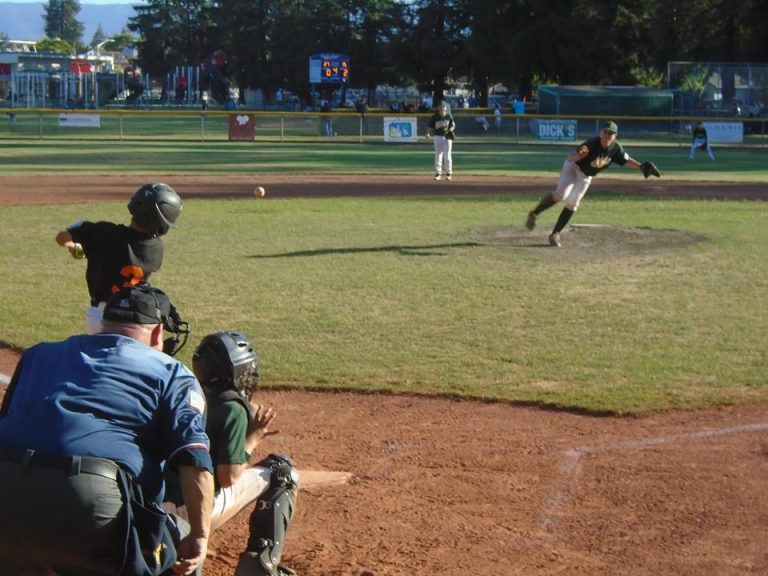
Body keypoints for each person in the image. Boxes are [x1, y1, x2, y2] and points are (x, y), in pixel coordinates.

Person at [0, 284, 214, 576]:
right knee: (175, 548)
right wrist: (199, 538)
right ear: (156, 333)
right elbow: (194, 460)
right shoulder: (172, 373)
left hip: (6, 488)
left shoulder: (38, 354)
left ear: (105, 322)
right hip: (93, 501)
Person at [164, 331, 299, 576]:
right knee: (282, 470)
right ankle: (259, 567)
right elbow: (228, 477)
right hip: (194, 511)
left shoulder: (189, 395)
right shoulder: (233, 410)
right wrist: (253, 438)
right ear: (233, 374)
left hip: (159, 507)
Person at [56, 183, 183, 334]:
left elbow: (61, 237)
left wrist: (75, 246)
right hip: (135, 317)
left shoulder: (104, 233)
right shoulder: (156, 249)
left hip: (100, 316)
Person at [525, 121, 660, 247]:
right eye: (606, 132)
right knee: (561, 195)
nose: (608, 136)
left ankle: (555, 234)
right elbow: (571, 157)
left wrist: (641, 166)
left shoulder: (616, 149)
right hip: (573, 168)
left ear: (615, 136)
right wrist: (579, 155)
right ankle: (534, 213)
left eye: (611, 134)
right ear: (601, 133)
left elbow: (626, 160)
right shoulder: (591, 144)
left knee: (573, 203)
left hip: (586, 175)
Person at [426, 101, 456, 181]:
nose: (442, 109)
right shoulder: (435, 117)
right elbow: (430, 126)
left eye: (443, 107)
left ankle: (449, 173)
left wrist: (451, 129)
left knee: (448, 156)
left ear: (446, 109)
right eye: (441, 107)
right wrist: (428, 133)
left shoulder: (449, 116)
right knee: (438, 155)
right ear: (438, 108)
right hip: (438, 136)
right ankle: (438, 173)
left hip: (447, 137)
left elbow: (453, 125)